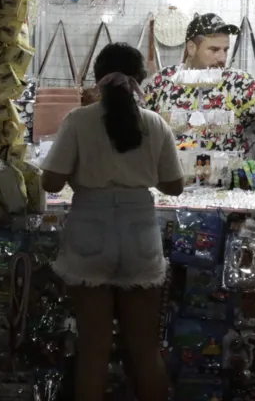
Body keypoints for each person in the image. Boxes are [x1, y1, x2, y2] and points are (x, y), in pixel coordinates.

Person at [40, 43, 184, 401]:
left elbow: (51, 183)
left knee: (93, 348)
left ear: (97, 80)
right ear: (139, 81)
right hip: (140, 231)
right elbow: (174, 186)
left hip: (90, 227)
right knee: (144, 348)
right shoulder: (155, 124)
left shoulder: (78, 120)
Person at [143, 13, 255, 153]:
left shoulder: (236, 82)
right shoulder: (163, 82)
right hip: (170, 190)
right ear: (192, 48)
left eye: (225, 49)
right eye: (214, 50)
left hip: (225, 194)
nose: (222, 58)